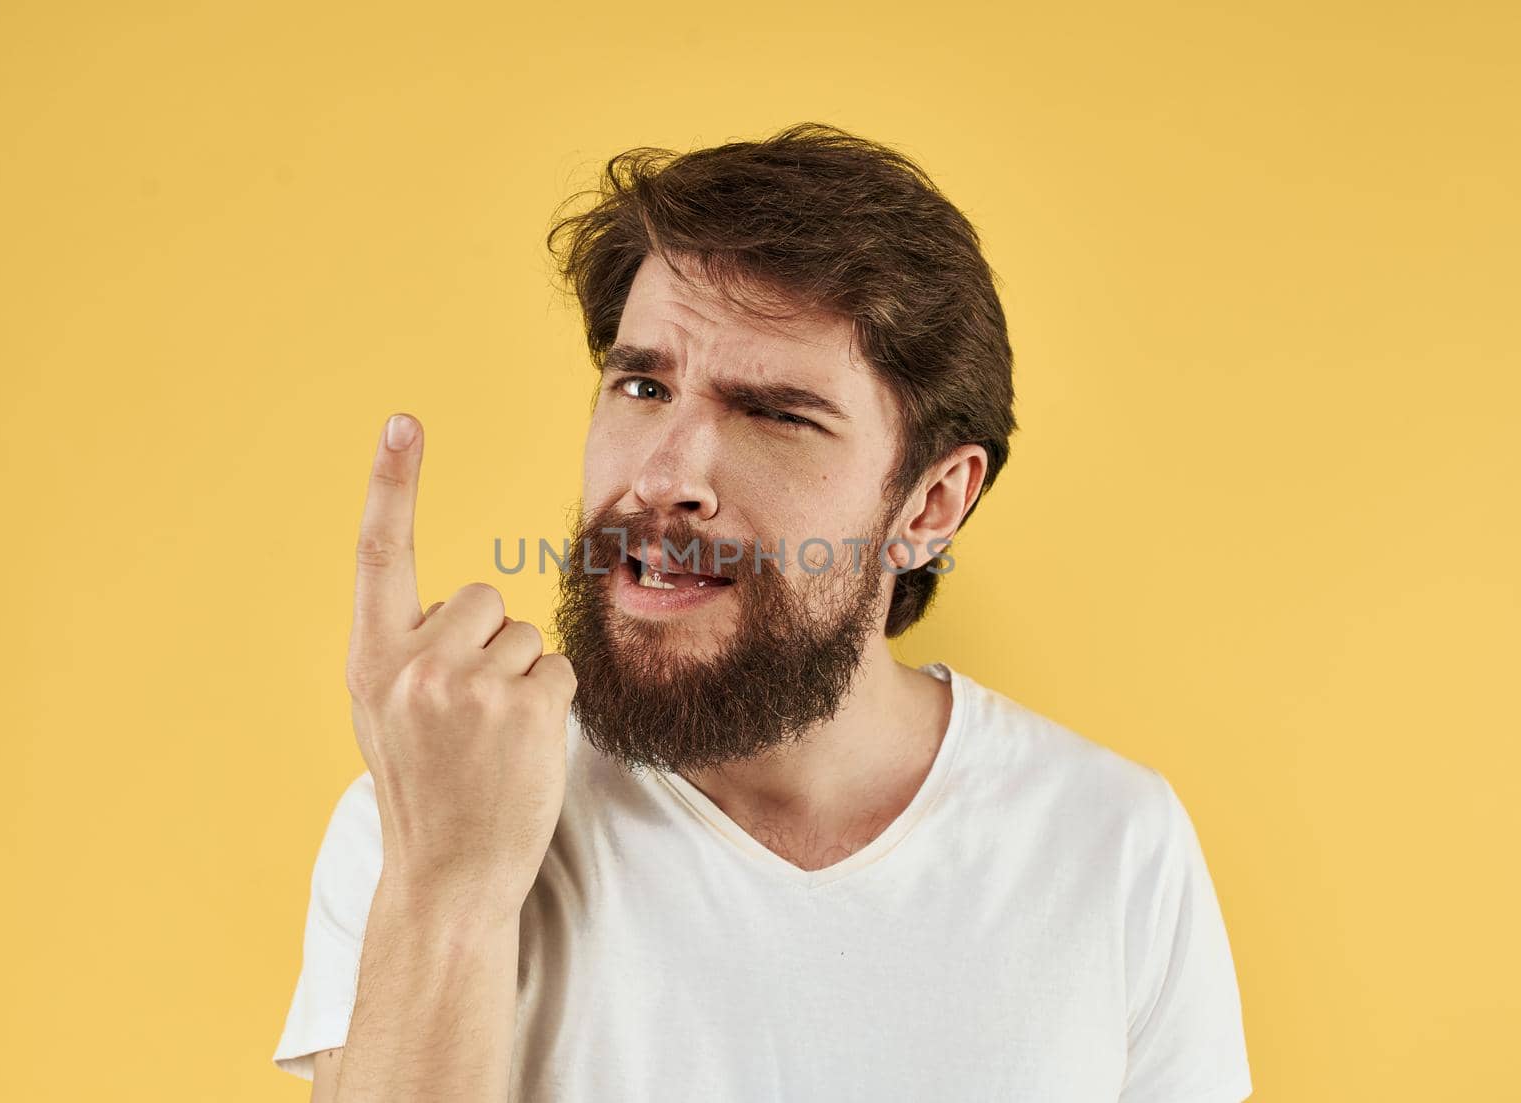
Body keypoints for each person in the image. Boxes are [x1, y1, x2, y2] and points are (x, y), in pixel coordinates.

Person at [272, 123, 1253, 1102]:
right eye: (643, 383)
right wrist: (447, 890)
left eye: (775, 413)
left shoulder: (1110, 842)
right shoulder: (434, 811)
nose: (662, 475)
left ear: (928, 505)